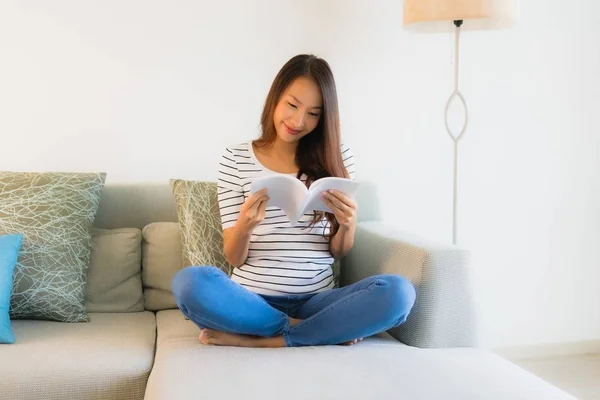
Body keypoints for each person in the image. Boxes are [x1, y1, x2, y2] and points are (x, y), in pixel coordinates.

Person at [171, 54, 416, 348]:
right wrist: (245, 226)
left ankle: (263, 340)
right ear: (275, 97)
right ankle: (310, 332)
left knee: (399, 293)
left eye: (314, 113)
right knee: (190, 284)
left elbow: (337, 252)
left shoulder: (337, 158)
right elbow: (234, 257)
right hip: (251, 301)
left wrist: (348, 224)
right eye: (292, 105)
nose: (299, 121)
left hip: (318, 301)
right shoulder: (235, 158)